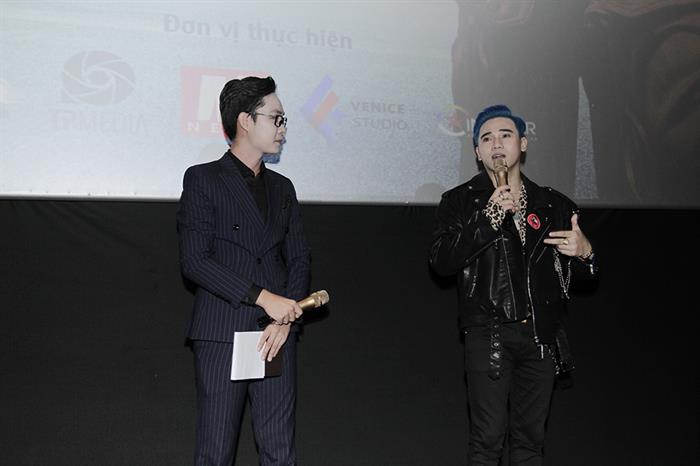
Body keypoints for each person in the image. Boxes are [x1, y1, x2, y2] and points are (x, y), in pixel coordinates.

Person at [429, 105, 597, 465]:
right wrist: (488, 218)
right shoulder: (459, 202)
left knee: (530, 442)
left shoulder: (552, 204)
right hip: (488, 334)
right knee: (488, 440)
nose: (497, 144)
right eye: (486, 138)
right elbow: (441, 262)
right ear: (477, 152)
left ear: (522, 143)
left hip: (540, 335)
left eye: (505, 136)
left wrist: (585, 252)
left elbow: (582, 277)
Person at [177, 76, 311, 466]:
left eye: (284, 120)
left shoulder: (283, 188)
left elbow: (299, 258)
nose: (283, 128)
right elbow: (195, 261)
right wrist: (265, 298)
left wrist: (286, 317)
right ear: (246, 121)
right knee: (216, 451)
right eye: (276, 118)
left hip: (276, 333)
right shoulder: (203, 178)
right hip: (223, 329)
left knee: (279, 450)